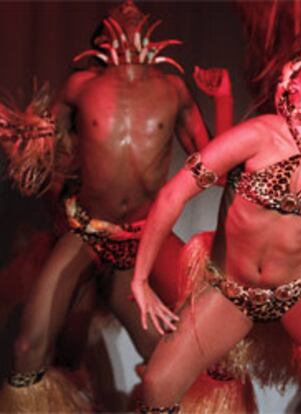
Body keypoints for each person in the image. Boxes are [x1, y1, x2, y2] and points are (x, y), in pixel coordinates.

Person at [131, 44, 301, 413]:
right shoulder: (257, 134)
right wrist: (139, 278)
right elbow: (173, 194)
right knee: (156, 384)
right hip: (232, 290)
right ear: (291, 80)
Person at [0, 1, 218, 409]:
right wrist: (16, 135)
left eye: (136, 7)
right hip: (87, 233)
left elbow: (215, 165)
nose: (130, 6)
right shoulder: (81, 86)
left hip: (143, 240)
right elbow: (40, 158)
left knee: (176, 355)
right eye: (121, 9)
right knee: (29, 348)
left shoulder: (173, 89)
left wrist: (222, 98)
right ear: (103, 38)